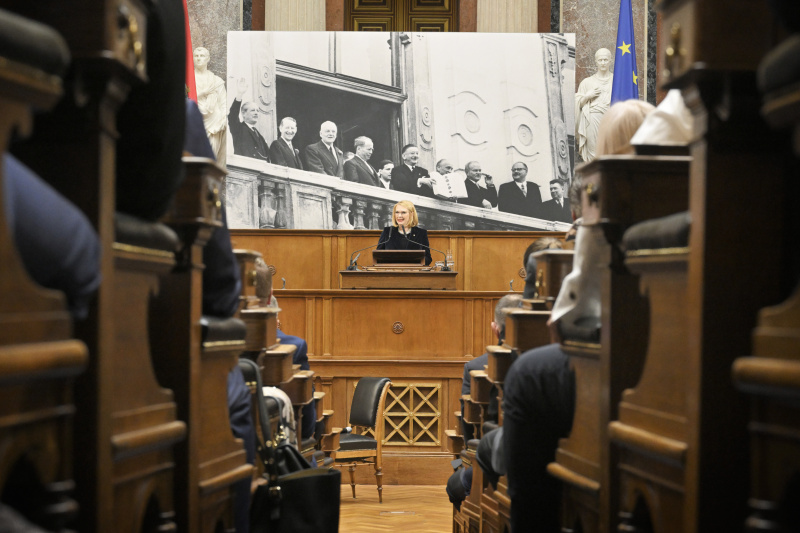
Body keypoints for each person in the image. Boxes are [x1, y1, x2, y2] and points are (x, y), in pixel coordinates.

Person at [500, 98, 655, 533]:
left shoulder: (602, 192)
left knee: (527, 376)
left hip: (617, 363)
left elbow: (570, 316)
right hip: (683, 355)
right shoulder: (693, 179)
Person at [575, 48, 613, 163]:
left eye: (605, 60)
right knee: (593, 151)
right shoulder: (587, 82)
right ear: (595, 62)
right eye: (600, 60)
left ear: (610, 61)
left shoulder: (616, 81)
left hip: (611, 119)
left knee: (610, 150)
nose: (603, 63)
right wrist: (587, 96)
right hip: (591, 120)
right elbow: (578, 105)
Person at [193, 46, 227, 163]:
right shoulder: (189, 80)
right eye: (196, 56)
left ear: (208, 59)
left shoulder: (216, 81)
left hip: (214, 125)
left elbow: (224, 104)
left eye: (202, 56)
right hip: (194, 122)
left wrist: (222, 121)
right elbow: (184, 100)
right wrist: (203, 93)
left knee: (210, 160)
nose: (199, 58)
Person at [376, 200, 432, 266]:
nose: (399, 216)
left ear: (411, 214)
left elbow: (428, 259)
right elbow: (377, 257)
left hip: (414, 274)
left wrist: (411, 260)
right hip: (391, 273)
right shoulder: (387, 232)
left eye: (403, 212)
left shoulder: (421, 233)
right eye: (397, 212)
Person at [228, 78, 270, 162]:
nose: (256, 113)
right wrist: (240, 94)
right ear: (243, 113)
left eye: (257, 111)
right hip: (245, 169)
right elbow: (232, 116)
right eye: (252, 110)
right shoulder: (238, 128)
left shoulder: (257, 133)